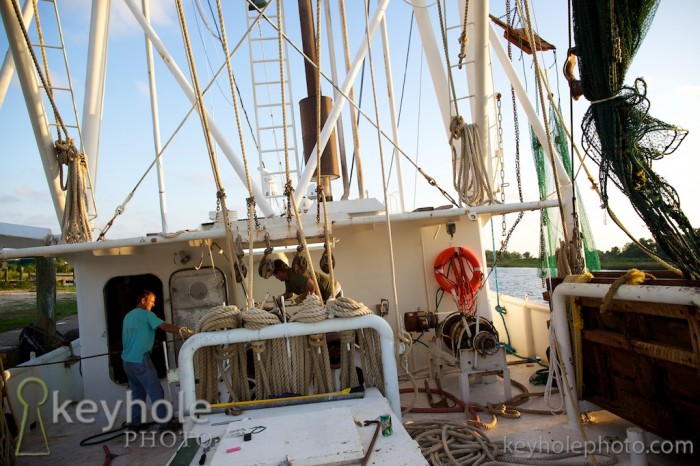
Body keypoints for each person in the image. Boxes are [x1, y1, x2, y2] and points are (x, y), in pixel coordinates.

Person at [121, 290, 193, 432]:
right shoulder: (147, 314)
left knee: (138, 394)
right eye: (152, 301)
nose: (153, 305)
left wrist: (153, 342)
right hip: (140, 360)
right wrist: (186, 332)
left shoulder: (128, 316)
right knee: (156, 392)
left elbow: (136, 336)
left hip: (127, 362)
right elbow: (165, 326)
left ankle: (134, 425)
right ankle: (164, 425)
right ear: (143, 301)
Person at [272, 259, 342, 303]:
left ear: (279, 271)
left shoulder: (294, 274)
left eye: (275, 275)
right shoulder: (288, 279)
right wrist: (280, 299)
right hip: (326, 293)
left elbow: (311, 286)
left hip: (331, 289)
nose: (276, 278)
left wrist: (301, 297)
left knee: (332, 314)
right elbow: (289, 294)